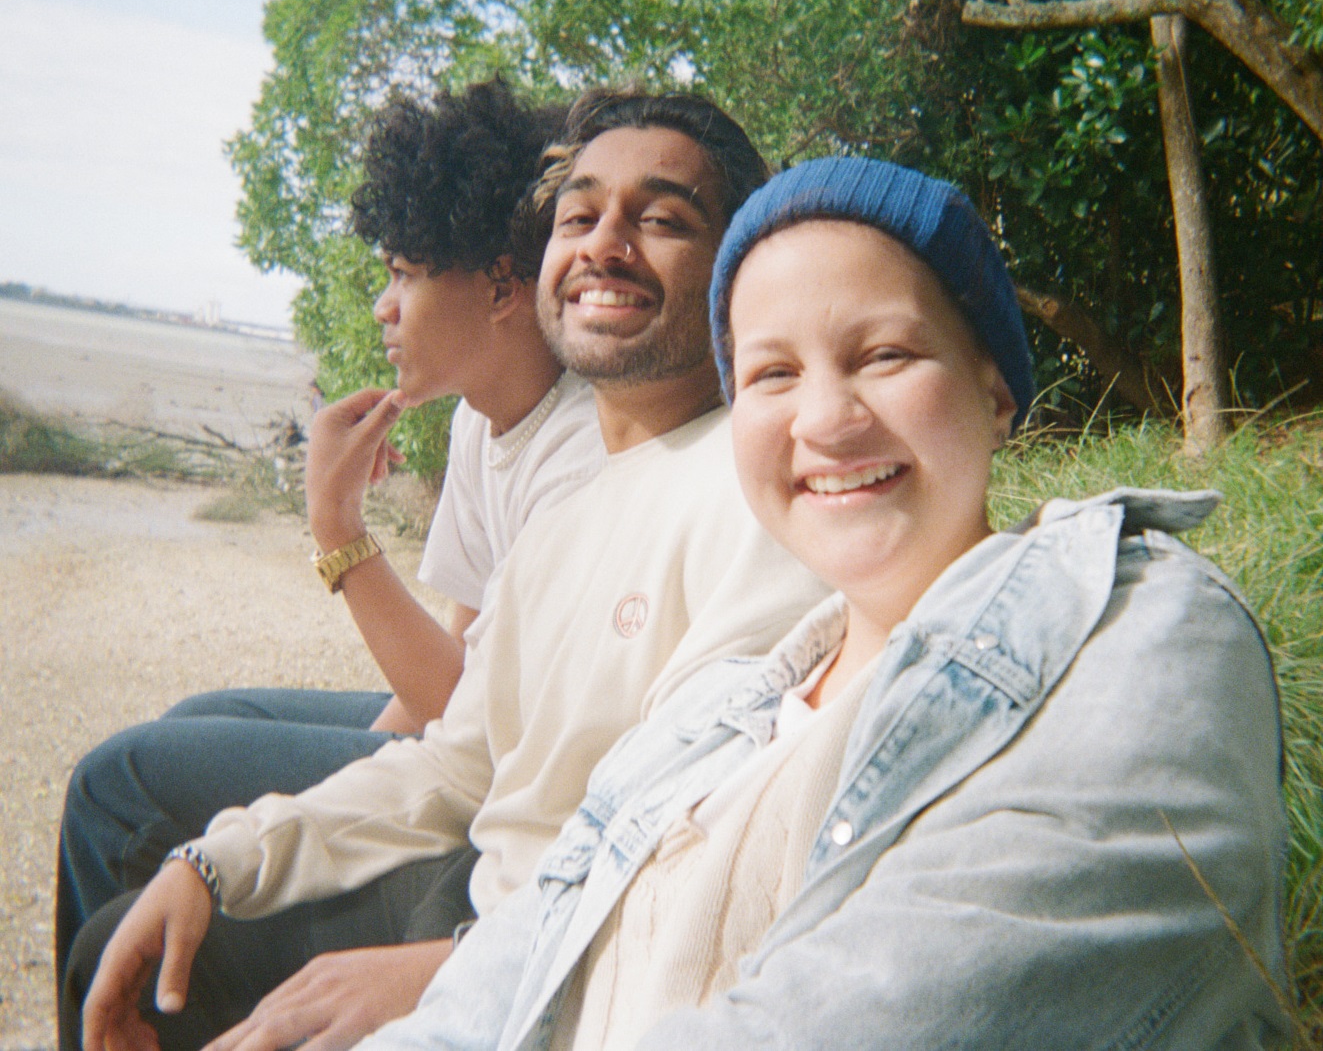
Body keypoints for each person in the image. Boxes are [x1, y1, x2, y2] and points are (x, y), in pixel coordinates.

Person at [360, 156, 1291, 1050]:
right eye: (771, 374)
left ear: (995, 390)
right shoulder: (711, 713)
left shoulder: (1143, 625)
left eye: (883, 354)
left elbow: (905, 1007)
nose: (826, 421)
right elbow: (522, 951)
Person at [71, 90, 830, 1051]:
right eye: (578, 215)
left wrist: (448, 969)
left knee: (126, 811)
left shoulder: (753, 489)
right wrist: (219, 860)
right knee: (130, 938)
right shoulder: (566, 519)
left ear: (735, 270)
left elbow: (698, 861)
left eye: (662, 218)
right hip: (489, 897)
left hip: (532, 960)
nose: (604, 244)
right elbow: (459, 752)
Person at [53, 78, 607, 998]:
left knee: (116, 782)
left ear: (504, 285)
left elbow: (465, 714)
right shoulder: (482, 416)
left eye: (403, 273)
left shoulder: (582, 448)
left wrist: (338, 532)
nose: (384, 308)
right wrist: (337, 784)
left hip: (504, 766)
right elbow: (450, 665)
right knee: (190, 723)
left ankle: (137, 994)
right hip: (462, 718)